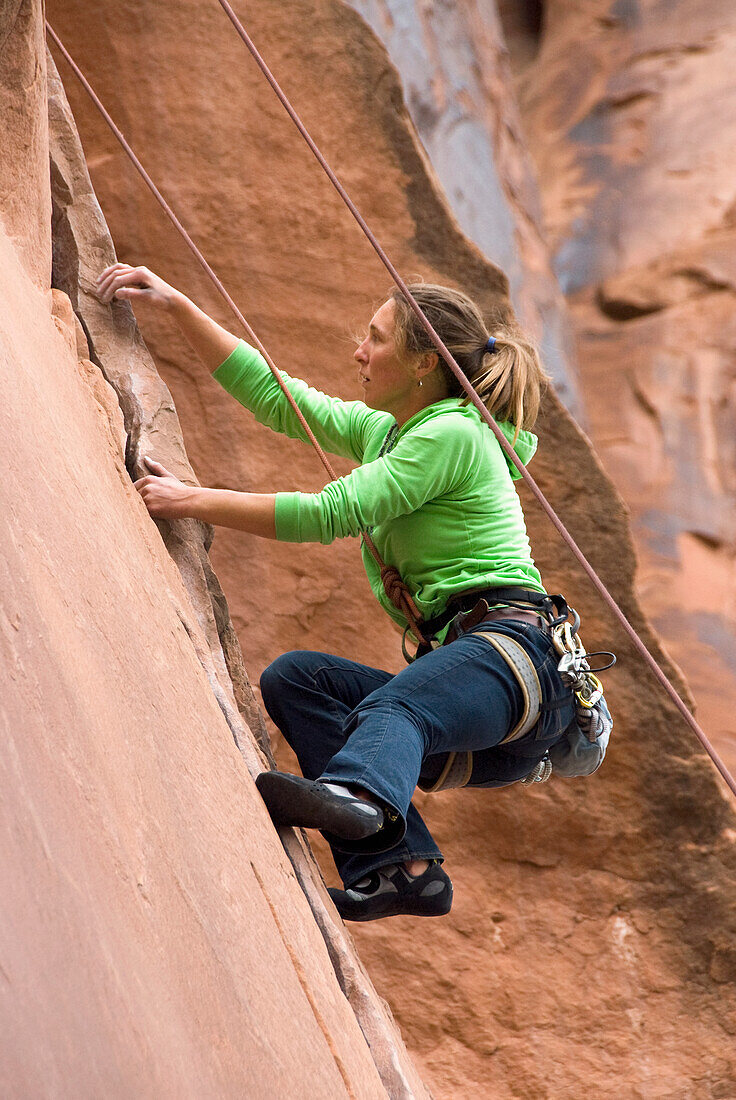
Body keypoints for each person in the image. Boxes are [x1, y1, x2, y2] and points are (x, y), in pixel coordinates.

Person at [96, 262, 575, 921]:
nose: (359, 350)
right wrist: (179, 305)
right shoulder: (393, 432)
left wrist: (190, 500)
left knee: (395, 710)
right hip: (488, 691)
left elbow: (331, 512)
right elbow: (281, 400)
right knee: (299, 682)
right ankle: (401, 867)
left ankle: (364, 800)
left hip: (516, 658)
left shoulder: (454, 434)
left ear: (423, 366)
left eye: (375, 338)